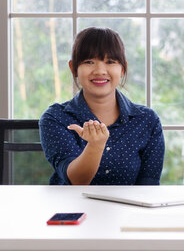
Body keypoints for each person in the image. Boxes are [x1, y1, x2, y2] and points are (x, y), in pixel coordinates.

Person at [39, 27, 165, 185]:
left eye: (110, 62)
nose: (100, 71)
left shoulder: (147, 120)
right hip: (73, 208)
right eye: (89, 62)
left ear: (122, 69)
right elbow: (76, 180)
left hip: (127, 209)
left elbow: (149, 188)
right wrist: (95, 145)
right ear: (74, 68)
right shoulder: (56, 117)